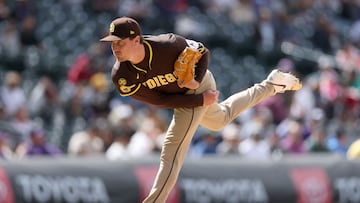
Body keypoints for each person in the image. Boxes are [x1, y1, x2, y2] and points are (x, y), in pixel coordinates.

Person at [100, 16, 302, 203]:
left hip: (200, 83)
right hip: (184, 98)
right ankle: (271, 85)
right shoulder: (122, 76)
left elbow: (203, 51)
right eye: (112, 43)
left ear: (136, 40)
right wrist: (199, 100)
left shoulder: (167, 45)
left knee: (172, 148)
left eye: (120, 42)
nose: (115, 47)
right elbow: (160, 100)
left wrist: (196, 82)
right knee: (220, 119)